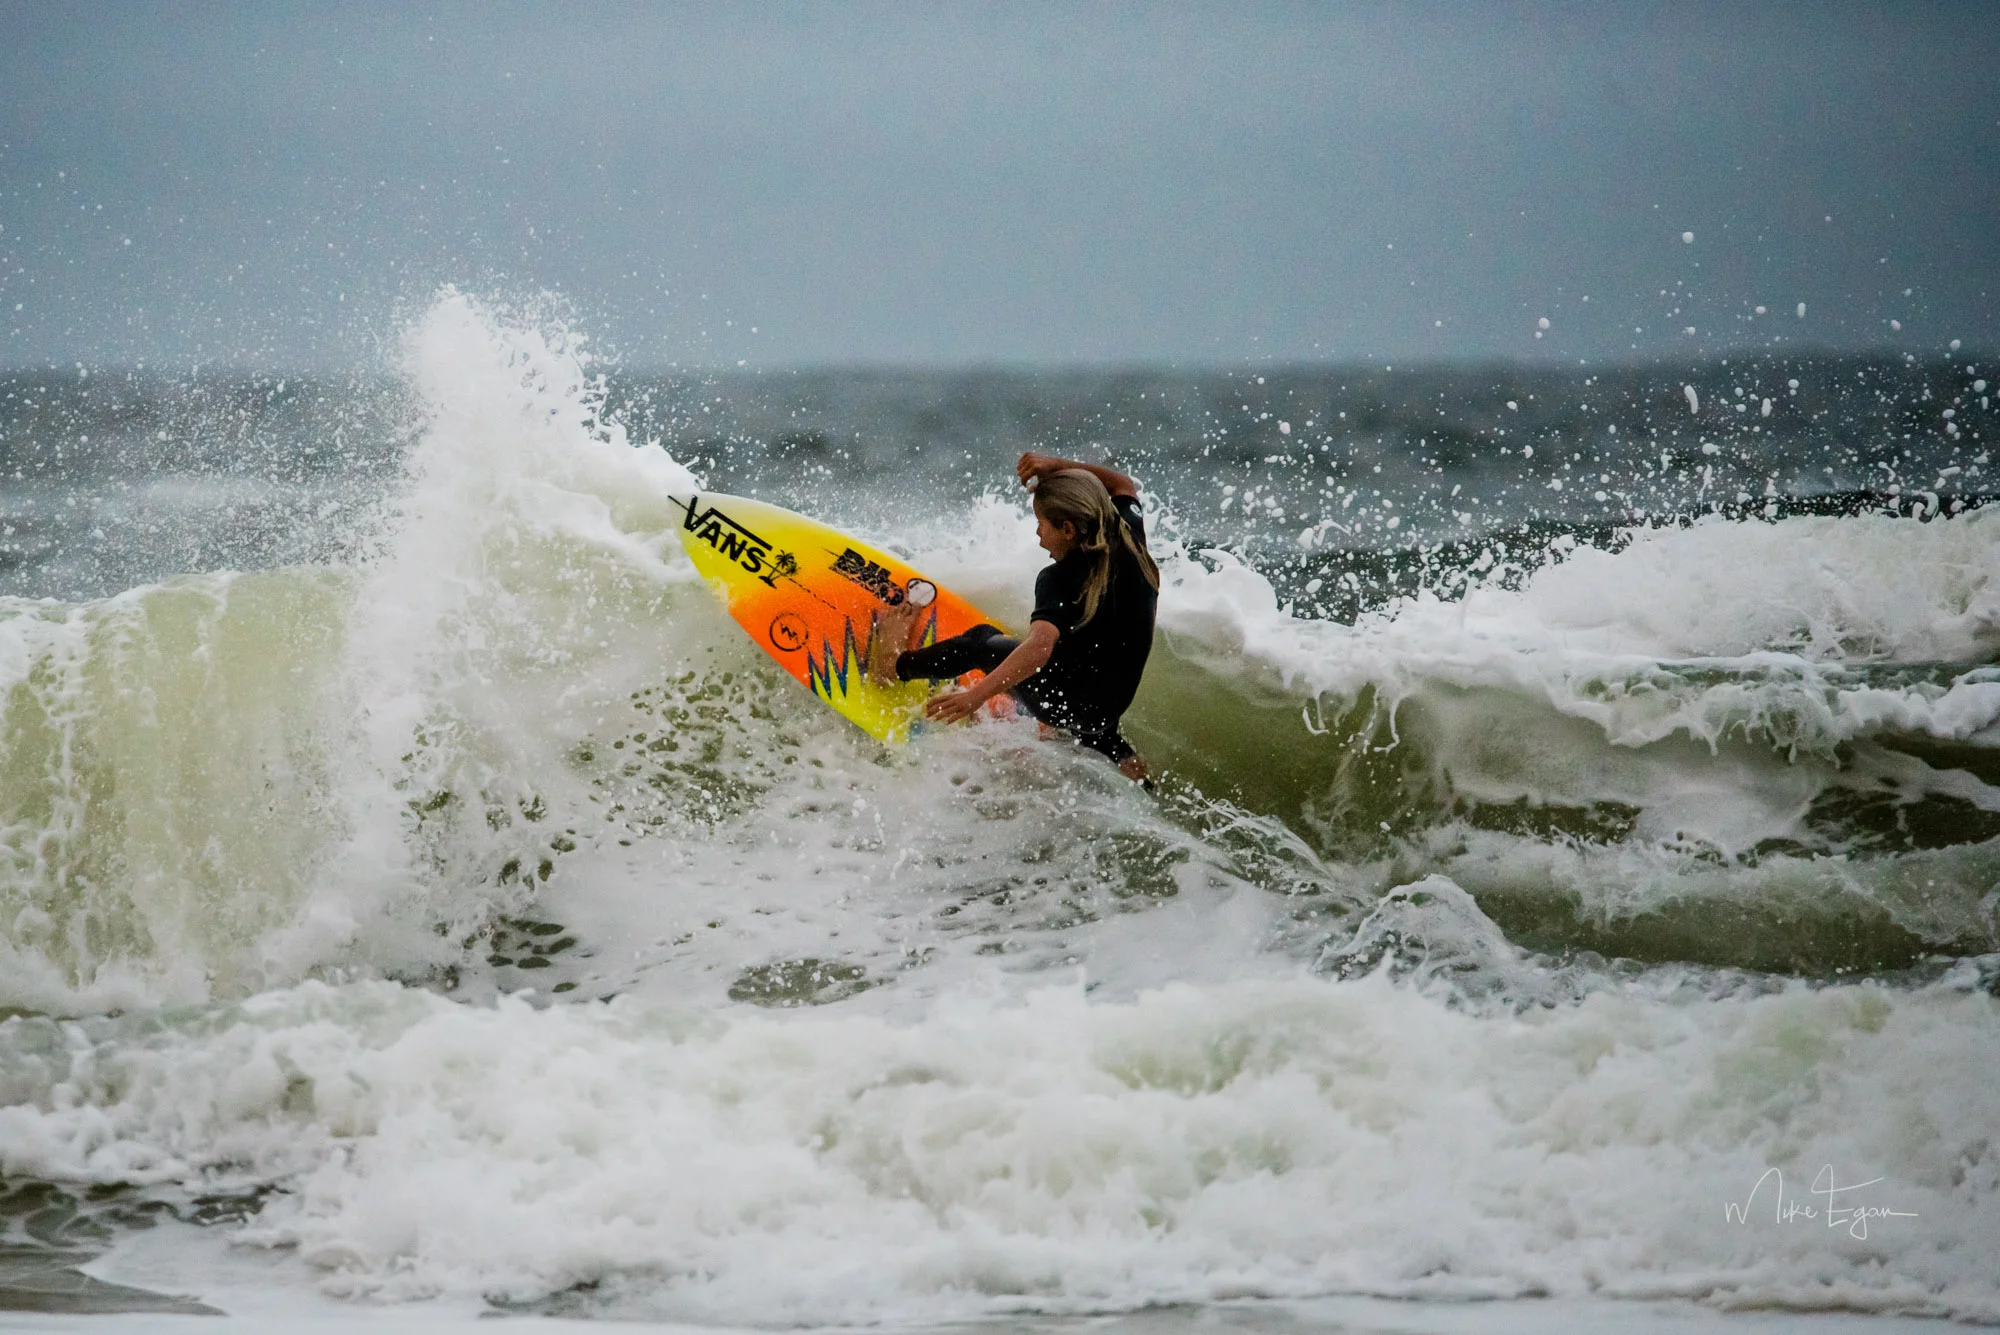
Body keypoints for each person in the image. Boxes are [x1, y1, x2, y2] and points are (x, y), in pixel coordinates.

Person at [868, 452, 1160, 782]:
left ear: (1067, 529)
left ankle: (892, 667)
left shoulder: (1058, 579)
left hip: (1068, 705)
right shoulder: (1129, 537)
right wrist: (1056, 467)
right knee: (1091, 661)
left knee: (980, 641)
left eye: (1041, 524)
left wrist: (974, 697)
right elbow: (1121, 484)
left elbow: (1039, 648)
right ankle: (1131, 767)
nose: (1037, 534)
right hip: (1109, 704)